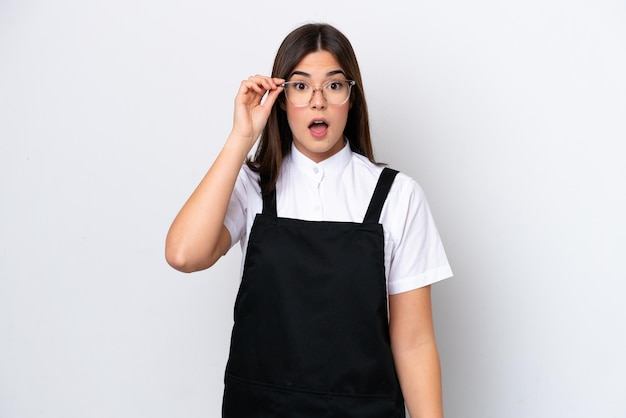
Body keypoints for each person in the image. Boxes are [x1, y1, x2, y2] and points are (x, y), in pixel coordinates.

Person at [165, 22, 453, 418]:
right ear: (280, 100)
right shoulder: (253, 188)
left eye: (333, 86)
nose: (318, 101)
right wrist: (241, 138)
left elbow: (415, 341)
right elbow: (183, 254)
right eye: (301, 86)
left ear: (351, 98)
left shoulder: (397, 196)